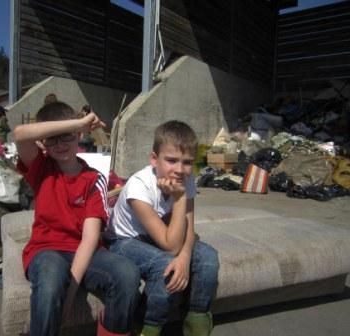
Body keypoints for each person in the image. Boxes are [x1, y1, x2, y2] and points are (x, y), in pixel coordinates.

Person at [13, 101, 140, 336]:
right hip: (46, 250)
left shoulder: (94, 180)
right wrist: (79, 122)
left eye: (68, 137)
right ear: (43, 141)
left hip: (85, 251)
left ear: (79, 136)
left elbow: (90, 239)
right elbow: (20, 134)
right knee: (50, 279)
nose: (60, 145)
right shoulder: (41, 167)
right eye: (53, 138)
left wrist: (71, 292)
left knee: (127, 273)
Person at [106, 120, 219, 336]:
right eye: (171, 160)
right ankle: (148, 325)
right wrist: (179, 198)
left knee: (207, 258)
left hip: (161, 236)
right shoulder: (139, 187)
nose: (179, 169)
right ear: (154, 159)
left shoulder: (188, 178)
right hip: (124, 241)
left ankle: (196, 319)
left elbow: (189, 228)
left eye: (187, 162)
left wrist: (185, 258)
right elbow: (170, 247)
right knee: (165, 264)